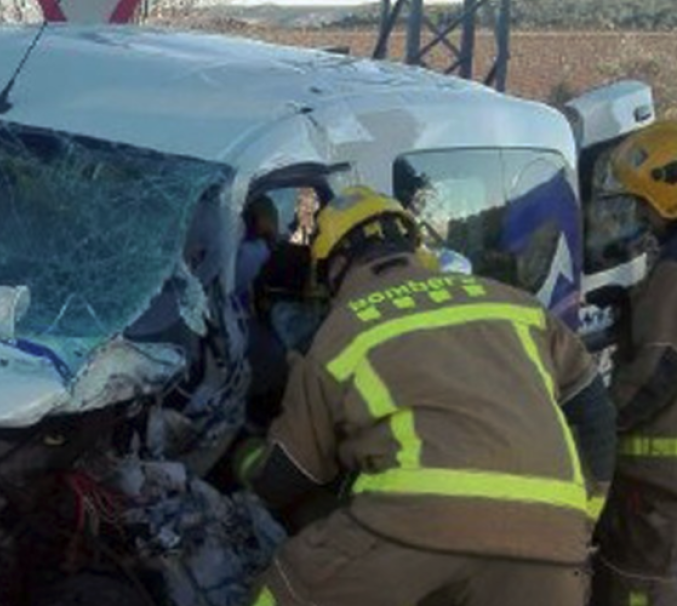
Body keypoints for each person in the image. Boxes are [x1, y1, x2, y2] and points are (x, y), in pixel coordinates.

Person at [236, 186, 616, 606]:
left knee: (285, 591)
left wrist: (243, 457)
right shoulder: (515, 305)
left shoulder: (340, 334)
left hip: (415, 521)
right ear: (415, 247)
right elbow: (595, 414)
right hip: (552, 533)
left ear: (338, 264)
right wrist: (582, 516)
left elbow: (289, 474)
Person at [595, 120, 677, 606]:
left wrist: (599, 425)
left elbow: (657, 371)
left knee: (640, 582)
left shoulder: (673, 274)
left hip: (658, 488)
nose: (640, 216)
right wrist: (632, 306)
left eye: (642, 203)